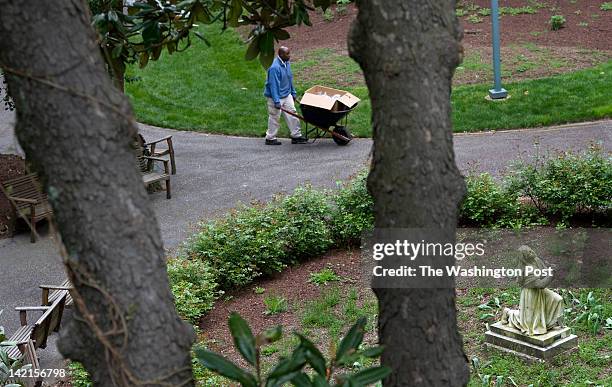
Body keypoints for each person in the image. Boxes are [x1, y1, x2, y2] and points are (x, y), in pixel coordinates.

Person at [501, 245, 564, 336]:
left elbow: (544, 272)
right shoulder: (526, 270)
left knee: (558, 299)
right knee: (528, 320)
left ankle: (551, 323)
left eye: (531, 250)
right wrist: (552, 275)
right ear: (525, 257)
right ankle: (508, 313)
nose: (532, 253)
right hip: (530, 293)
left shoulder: (536, 260)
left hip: (539, 290)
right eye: (529, 252)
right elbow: (540, 285)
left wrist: (551, 269)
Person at [263, 46, 307, 145]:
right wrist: (276, 101)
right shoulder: (274, 67)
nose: (290, 55)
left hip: (286, 95)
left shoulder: (286, 63)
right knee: (275, 117)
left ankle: (296, 136)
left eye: (289, 53)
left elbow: (289, 77)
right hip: (275, 96)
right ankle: (270, 138)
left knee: (293, 114)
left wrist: (293, 92)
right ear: (281, 55)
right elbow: (273, 86)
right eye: (287, 54)